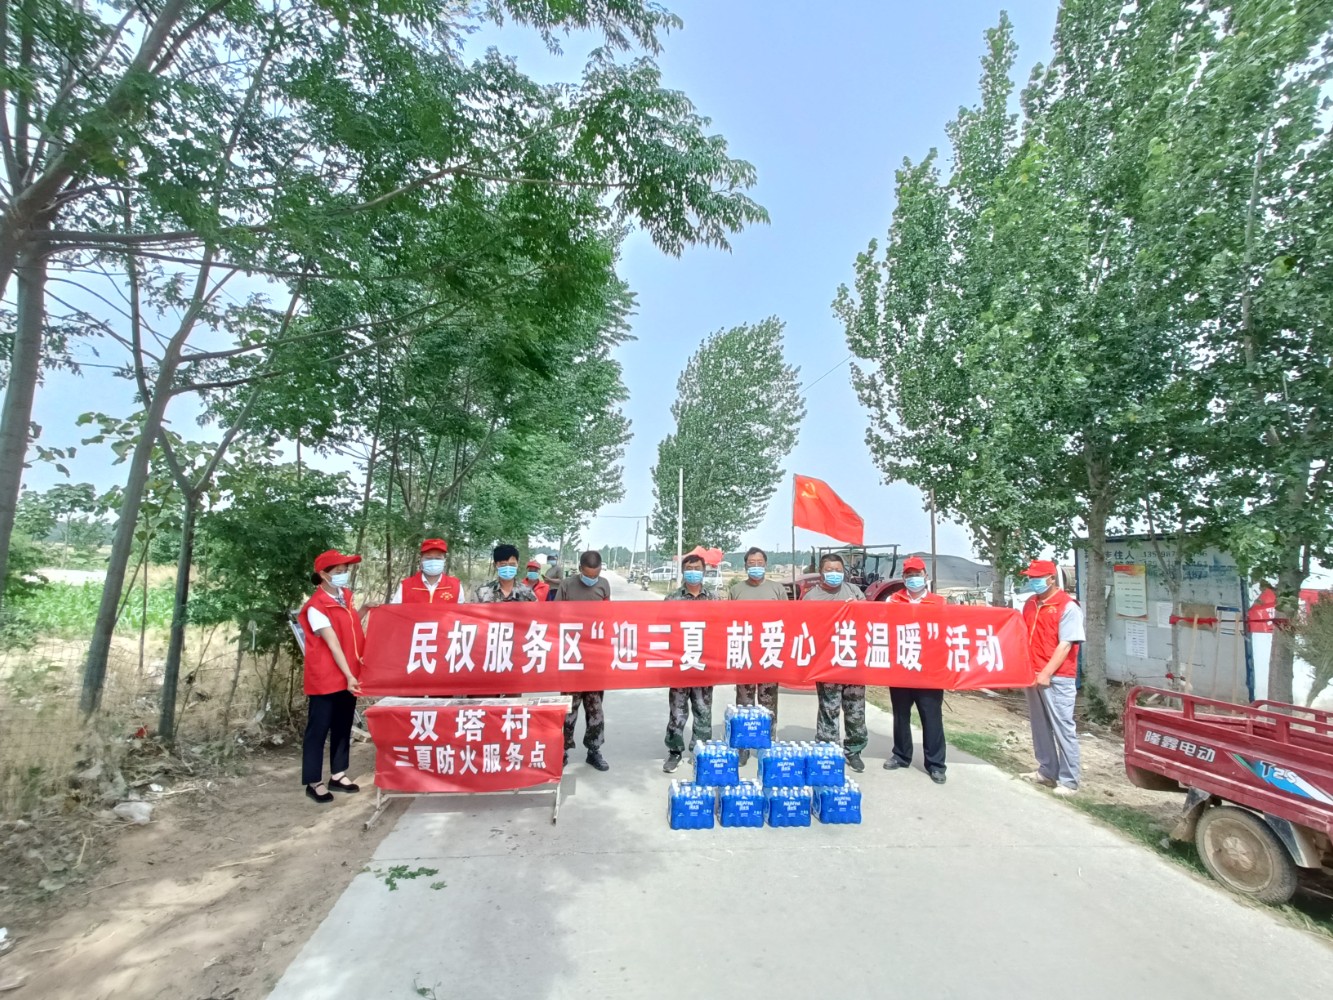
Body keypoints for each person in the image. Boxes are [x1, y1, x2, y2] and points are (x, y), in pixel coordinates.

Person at [298, 549, 365, 804]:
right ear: (323, 575)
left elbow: (350, 626)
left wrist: (365, 609)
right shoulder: (316, 606)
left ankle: (338, 774)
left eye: (345, 571)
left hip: (349, 673)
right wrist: (348, 675)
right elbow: (333, 643)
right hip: (327, 675)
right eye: (338, 571)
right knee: (319, 728)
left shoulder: (345, 596)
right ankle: (313, 782)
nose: (343, 575)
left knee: (343, 724)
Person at [1020, 558, 1085, 796]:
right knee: (1039, 725)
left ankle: (1069, 780)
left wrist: (1047, 672)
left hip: (1057, 677)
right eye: (1030, 577)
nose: (1033, 581)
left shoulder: (1068, 607)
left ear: (1051, 579)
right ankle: (1047, 771)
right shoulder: (1030, 603)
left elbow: (1066, 644)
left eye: (1037, 578)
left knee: (1062, 727)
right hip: (1031, 674)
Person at [802, 552, 868, 772]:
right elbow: (805, 627)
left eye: (838, 570)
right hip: (827, 660)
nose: (834, 574)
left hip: (853, 659)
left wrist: (858, 608)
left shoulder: (854, 592)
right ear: (821, 572)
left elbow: (869, 621)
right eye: (829, 570)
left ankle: (854, 750)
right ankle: (827, 749)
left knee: (855, 707)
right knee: (829, 707)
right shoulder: (811, 597)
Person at [884, 556, 948, 784]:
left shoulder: (939, 602)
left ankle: (936, 764)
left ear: (926, 576)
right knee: (901, 714)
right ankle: (901, 755)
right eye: (909, 575)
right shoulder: (893, 600)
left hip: (929, 669)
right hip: (902, 664)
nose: (913, 579)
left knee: (931, 716)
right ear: (903, 578)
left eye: (917, 575)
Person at [726, 546, 788, 764]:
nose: (756, 567)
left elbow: (789, 618)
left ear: (766, 565)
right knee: (744, 702)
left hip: (769, 652)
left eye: (759, 563)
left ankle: (766, 744)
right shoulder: (736, 590)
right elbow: (727, 619)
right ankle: (742, 746)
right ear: (745, 566)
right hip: (744, 652)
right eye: (751, 563)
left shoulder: (777, 589)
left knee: (768, 702)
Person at [553, 550, 612, 771]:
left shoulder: (604, 585)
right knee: (569, 707)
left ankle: (594, 750)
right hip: (571, 655)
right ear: (580, 570)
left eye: (596, 574)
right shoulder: (567, 585)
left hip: (596, 656)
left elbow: (608, 616)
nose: (592, 579)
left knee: (595, 707)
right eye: (588, 575)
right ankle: (562, 750)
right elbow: (554, 616)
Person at [662, 553, 717, 773]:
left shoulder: (713, 599)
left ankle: (700, 751)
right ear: (683, 571)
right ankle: (674, 751)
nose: (693, 572)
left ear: (704, 571)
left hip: (705, 664)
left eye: (697, 568)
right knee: (677, 710)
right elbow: (663, 630)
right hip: (680, 664)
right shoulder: (672, 599)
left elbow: (721, 629)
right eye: (689, 568)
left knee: (703, 709)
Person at [388, 538, 462, 605]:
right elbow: (394, 613)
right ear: (421, 560)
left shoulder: (455, 586)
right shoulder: (406, 586)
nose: (433, 561)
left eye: (438, 558)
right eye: (428, 558)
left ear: (444, 560)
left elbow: (461, 613)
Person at [474, 544, 539, 604]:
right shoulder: (483, 592)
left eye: (512, 564)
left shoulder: (527, 593)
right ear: (495, 565)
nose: (508, 568)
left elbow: (536, 611)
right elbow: (472, 611)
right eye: (503, 564)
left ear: (517, 564)